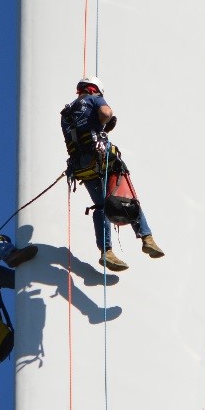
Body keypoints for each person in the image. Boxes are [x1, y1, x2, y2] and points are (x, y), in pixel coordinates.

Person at [60, 77, 163, 271]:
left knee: (101, 206)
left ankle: (106, 252)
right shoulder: (94, 98)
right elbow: (106, 113)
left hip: (82, 166)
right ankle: (146, 237)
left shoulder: (65, 113)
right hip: (101, 158)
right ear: (95, 90)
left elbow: (77, 135)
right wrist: (104, 123)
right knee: (127, 195)